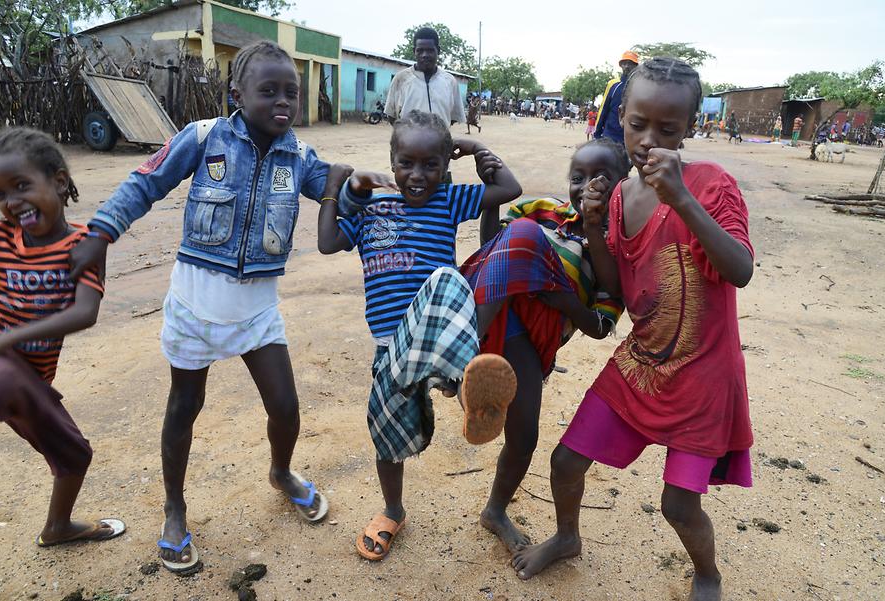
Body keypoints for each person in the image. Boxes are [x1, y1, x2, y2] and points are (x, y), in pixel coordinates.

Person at [69, 41, 336, 573]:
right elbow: (145, 182)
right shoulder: (204, 137)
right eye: (268, 91)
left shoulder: (300, 156)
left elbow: (334, 194)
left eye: (291, 92)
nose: (282, 101)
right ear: (236, 94)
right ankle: (175, 508)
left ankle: (281, 473)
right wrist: (101, 232)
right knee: (183, 408)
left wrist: (351, 188)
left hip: (257, 311)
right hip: (194, 305)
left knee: (285, 408)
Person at [510, 57, 754, 601]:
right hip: (642, 362)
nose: (649, 140)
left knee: (678, 504)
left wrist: (683, 200)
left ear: (689, 128)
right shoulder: (621, 194)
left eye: (667, 130)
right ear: (620, 116)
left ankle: (707, 574)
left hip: (704, 376)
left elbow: (739, 268)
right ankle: (568, 537)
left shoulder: (712, 185)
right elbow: (618, 288)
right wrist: (595, 225)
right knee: (566, 461)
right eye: (638, 123)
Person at [317, 109, 523, 562]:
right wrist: (337, 191)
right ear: (392, 161)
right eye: (407, 163)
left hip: (439, 336)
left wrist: (474, 149)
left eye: (431, 165)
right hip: (392, 347)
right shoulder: (371, 205)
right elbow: (328, 242)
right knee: (386, 437)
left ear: (445, 167)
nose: (418, 175)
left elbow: (509, 190)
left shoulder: (447, 199)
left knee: (446, 280)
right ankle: (392, 510)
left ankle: (468, 389)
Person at [459, 138, 628, 551]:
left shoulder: (618, 254)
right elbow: (492, 248)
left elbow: (600, 326)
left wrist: (564, 298)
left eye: (601, 179)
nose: (586, 186)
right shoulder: (541, 211)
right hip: (499, 307)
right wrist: (491, 203)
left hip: (536, 340)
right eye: (577, 177)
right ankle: (462, 348)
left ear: (624, 185)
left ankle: (494, 510)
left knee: (525, 439)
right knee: (521, 234)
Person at [0, 127, 127, 548]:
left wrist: (8, 338)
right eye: (0, 195)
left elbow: (85, 312)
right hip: (6, 374)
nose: (11, 204)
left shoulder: (85, 246)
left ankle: (57, 528)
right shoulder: (1, 239)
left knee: (74, 455)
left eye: (20, 186)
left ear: (58, 180)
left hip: (28, 378)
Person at [384, 27, 465, 127]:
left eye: (430, 50)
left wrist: (438, 133)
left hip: (440, 142)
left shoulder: (450, 81)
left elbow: (452, 118)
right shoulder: (401, 79)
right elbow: (392, 116)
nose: (425, 55)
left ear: (438, 51)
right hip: (409, 142)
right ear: (414, 51)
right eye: (420, 51)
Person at [593, 50, 639, 144]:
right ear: (621, 65)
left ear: (636, 66)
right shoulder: (614, 84)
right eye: (624, 63)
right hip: (610, 135)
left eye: (630, 63)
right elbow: (603, 109)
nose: (627, 66)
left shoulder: (640, 86)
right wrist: (597, 134)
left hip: (630, 138)